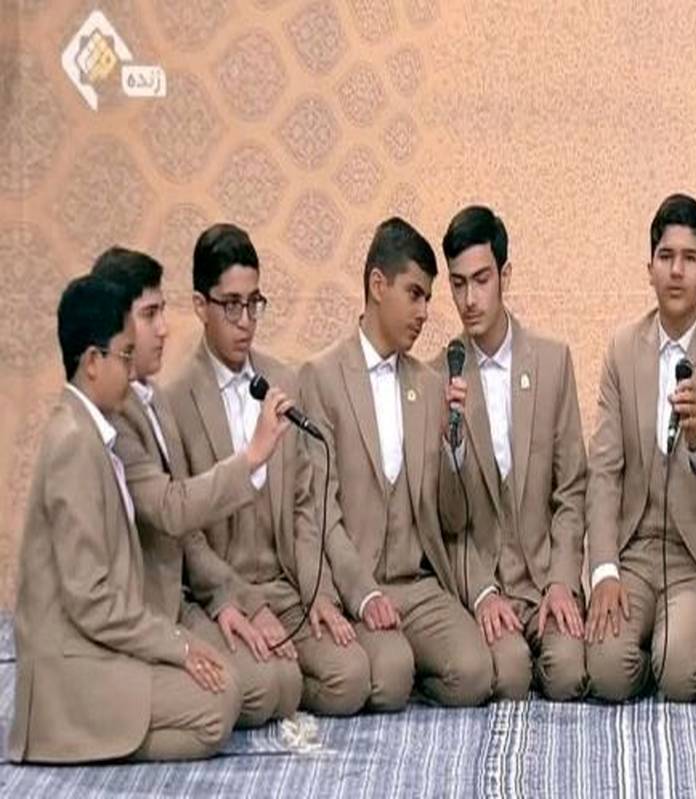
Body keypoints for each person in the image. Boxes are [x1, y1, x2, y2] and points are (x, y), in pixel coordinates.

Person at [8, 275, 239, 763]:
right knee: (217, 703)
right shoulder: (74, 443)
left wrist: (176, 643)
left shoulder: (91, 431)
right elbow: (90, 599)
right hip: (75, 665)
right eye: (125, 356)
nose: (133, 370)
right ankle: (76, 740)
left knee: (223, 685)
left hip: (100, 644)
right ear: (93, 361)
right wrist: (176, 645)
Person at [165, 223, 370, 717]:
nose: (245, 322)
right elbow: (187, 535)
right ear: (200, 306)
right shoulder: (175, 399)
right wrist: (244, 603)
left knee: (353, 677)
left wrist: (319, 594)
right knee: (262, 691)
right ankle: (276, 682)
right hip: (223, 593)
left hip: (284, 585)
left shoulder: (281, 380)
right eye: (231, 305)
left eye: (254, 303)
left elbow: (303, 509)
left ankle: (288, 681)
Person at [93, 246, 300, 728]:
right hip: (147, 610)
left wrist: (228, 600)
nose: (165, 329)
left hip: (186, 595)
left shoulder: (153, 400)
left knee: (282, 685)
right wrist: (252, 455)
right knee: (248, 693)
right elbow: (172, 509)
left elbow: (186, 533)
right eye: (149, 315)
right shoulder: (115, 415)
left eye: (162, 312)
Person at [298, 216, 493, 708]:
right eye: (414, 294)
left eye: (428, 298)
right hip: (359, 584)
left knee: (475, 673)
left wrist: (454, 448)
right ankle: (388, 664)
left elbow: (453, 518)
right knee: (388, 678)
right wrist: (363, 594)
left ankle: (409, 665)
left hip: (418, 585)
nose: (425, 312)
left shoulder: (427, 385)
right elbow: (321, 512)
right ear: (377, 285)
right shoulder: (321, 377)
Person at [585, 193, 696, 702]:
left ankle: (668, 648)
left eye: (690, 258)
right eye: (666, 256)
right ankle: (644, 652)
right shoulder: (622, 349)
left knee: (680, 674)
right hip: (634, 551)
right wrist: (604, 570)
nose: (677, 271)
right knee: (608, 674)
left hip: (695, 557)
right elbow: (604, 472)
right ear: (650, 268)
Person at [436, 206, 589, 700]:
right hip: (486, 584)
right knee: (510, 677)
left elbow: (572, 490)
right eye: (458, 284)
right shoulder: (438, 375)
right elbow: (444, 520)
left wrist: (562, 581)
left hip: (545, 580)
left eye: (481, 280)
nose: (469, 299)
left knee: (569, 674)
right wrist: (481, 592)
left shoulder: (551, 361)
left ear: (505, 276)